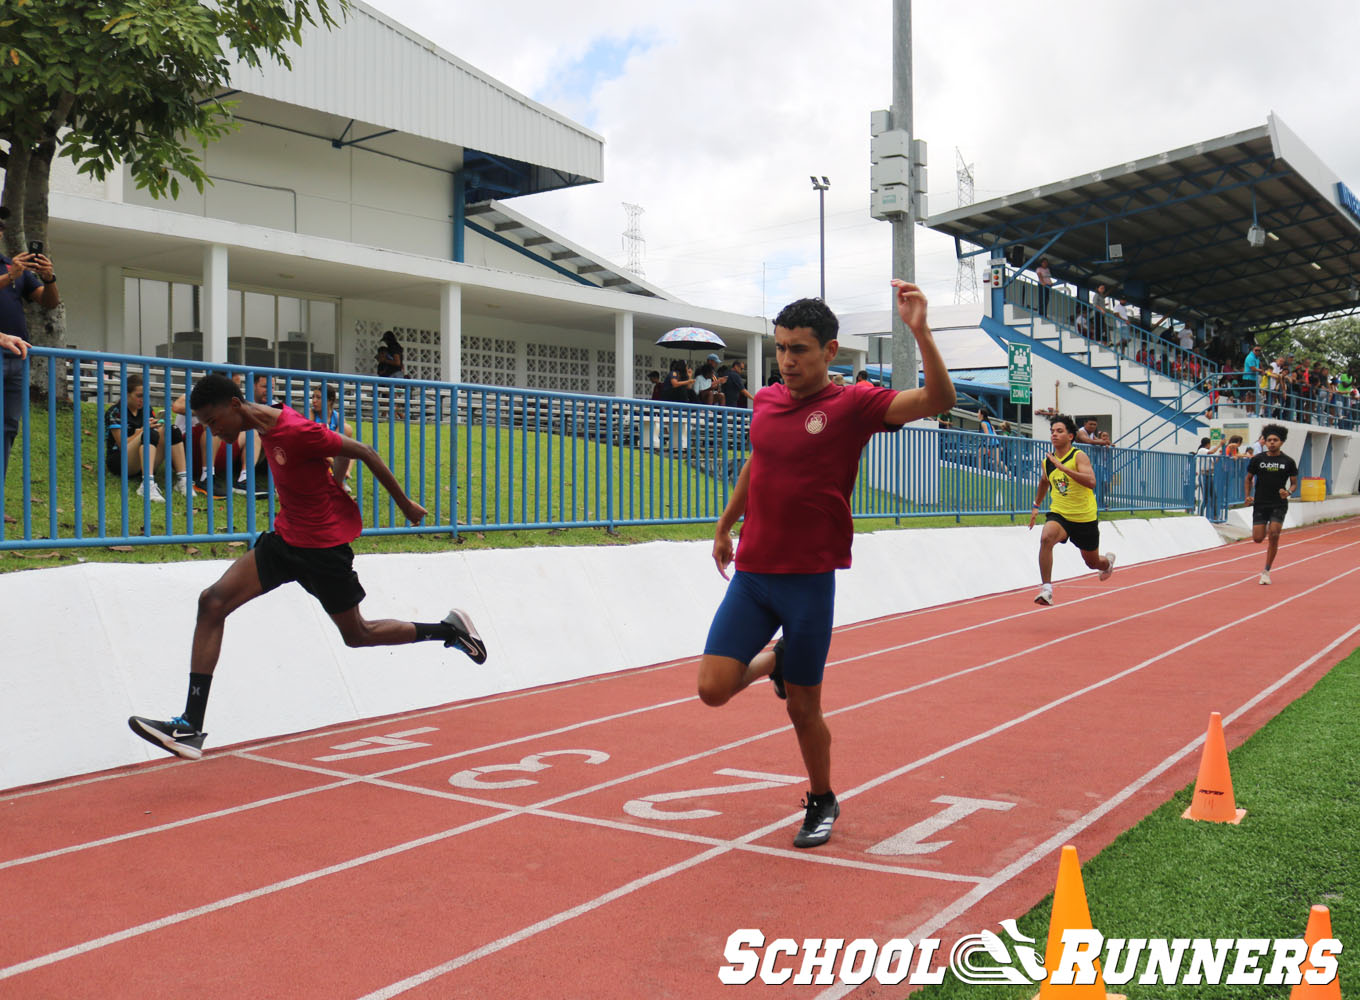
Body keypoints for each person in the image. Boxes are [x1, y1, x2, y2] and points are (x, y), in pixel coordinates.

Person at [696, 280, 955, 849]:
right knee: (712, 688)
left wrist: (920, 331)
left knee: (805, 711)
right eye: (781, 347)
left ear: (829, 351)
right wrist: (725, 523)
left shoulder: (855, 404)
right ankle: (776, 661)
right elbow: (756, 463)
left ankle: (821, 798)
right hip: (755, 576)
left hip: (809, 582)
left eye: (799, 350)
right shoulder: (765, 400)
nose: (786, 361)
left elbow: (938, 402)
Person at [127, 374, 487, 760]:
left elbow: (362, 449)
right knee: (212, 602)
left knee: (357, 634)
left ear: (235, 407)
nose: (213, 432)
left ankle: (448, 631)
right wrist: (330, 478)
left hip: (323, 549)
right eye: (206, 426)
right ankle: (190, 727)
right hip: (286, 541)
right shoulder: (265, 420)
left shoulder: (295, 430)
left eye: (214, 423)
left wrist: (403, 504)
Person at [1028, 414, 1116, 606]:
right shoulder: (1048, 462)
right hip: (1060, 514)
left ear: (1070, 436)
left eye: (1059, 431)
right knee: (1046, 538)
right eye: (1052, 432)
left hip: (1084, 518)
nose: (1054, 435)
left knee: (1092, 562)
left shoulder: (1078, 456)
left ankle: (1107, 563)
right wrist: (1036, 506)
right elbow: (1044, 482)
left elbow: (1092, 482)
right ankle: (1047, 590)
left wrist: (1065, 468)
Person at [0, 208, 60, 486]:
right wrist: (11, 276)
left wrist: (49, 278)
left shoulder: (13, 266)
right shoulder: (13, 270)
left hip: (17, 356)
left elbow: (48, 302)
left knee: (9, 427)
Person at [105, 373, 189, 500]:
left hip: (143, 459)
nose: (142, 400)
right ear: (126, 394)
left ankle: (182, 480)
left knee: (172, 430)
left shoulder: (146, 409)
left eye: (145, 396)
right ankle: (147, 485)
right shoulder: (115, 412)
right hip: (121, 462)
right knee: (149, 433)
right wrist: (141, 431)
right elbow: (122, 445)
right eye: (139, 396)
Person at [1243, 424, 1299, 586]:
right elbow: (1248, 478)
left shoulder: (1288, 461)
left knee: (1274, 534)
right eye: (1269, 440)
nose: (1272, 443)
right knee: (1258, 538)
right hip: (1260, 503)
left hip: (1278, 504)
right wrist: (1247, 496)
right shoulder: (1257, 460)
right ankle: (1267, 527)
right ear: (1265, 442)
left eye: (1275, 440)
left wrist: (1288, 492)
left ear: (1281, 442)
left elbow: (1294, 484)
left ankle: (1266, 571)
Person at [310, 383, 356, 486]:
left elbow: (341, 440)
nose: (314, 401)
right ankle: (339, 478)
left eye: (318, 397)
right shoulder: (311, 413)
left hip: (331, 449)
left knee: (347, 430)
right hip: (317, 451)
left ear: (329, 400)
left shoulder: (337, 416)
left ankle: (345, 473)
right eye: (313, 397)